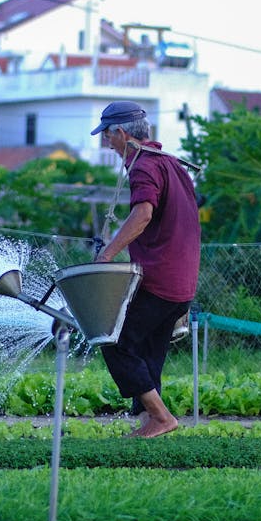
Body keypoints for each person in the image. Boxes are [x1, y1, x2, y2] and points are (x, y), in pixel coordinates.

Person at [90, 100, 201, 438]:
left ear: (121, 133)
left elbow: (143, 215)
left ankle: (162, 417)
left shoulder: (144, 167)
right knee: (148, 351)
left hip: (160, 281)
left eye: (108, 135)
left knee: (115, 341)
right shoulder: (171, 165)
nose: (106, 142)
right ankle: (150, 423)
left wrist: (106, 255)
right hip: (182, 283)